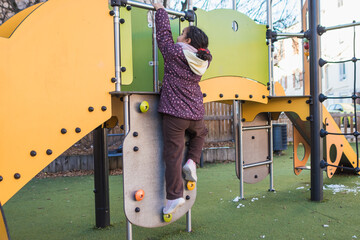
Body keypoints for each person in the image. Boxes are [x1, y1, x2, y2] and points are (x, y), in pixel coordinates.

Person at [152, 2, 212, 215]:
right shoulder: (204, 61)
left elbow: (163, 35)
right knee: (201, 133)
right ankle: (193, 162)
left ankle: (174, 196)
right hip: (195, 113)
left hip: (175, 115)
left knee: (173, 154)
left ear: (187, 41)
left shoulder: (174, 53)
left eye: (182, 34)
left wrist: (160, 9)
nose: (178, 37)